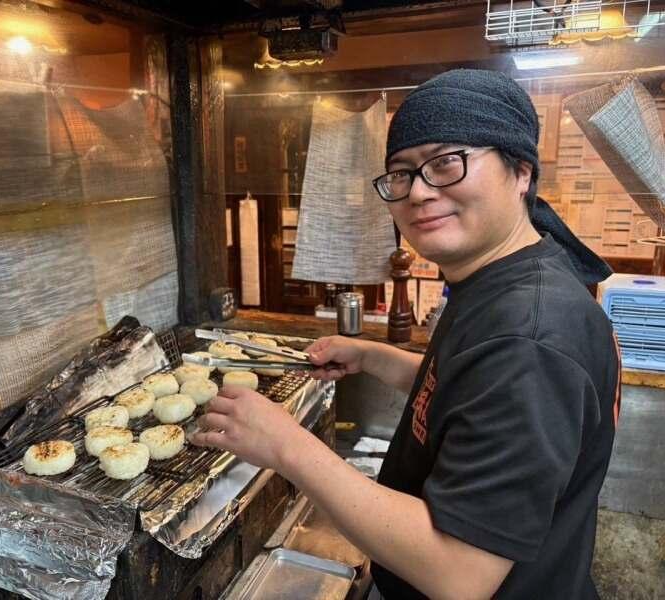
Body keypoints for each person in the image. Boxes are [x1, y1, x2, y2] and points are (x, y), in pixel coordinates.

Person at [192, 69, 621, 599]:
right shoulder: (504, 282)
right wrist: (375, 356)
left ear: (521, 172)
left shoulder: (528, 336)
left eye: (446, 163)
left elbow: (459, 574)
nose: (417, 192)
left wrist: (286, 444)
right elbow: (477, 398)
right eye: (401, 173)